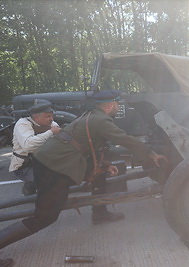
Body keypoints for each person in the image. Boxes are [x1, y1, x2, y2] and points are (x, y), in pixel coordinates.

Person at [0, 90, 167, 266]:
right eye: (117, 104)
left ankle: (99, 213)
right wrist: (151, 154)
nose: (118, 107)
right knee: (44, 217)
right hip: (53, 167)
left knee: (100, 173)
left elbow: (90, 146)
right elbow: (125, 139)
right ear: (110, 105)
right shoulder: (102, 121)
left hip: (58, 160)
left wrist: (104, 164)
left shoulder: (92, 115)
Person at [9, 100, 61, 196]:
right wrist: (51, 132)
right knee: (49, 182)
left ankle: (32, 186)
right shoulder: (23, 124)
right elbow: (28, 146)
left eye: (51, 116)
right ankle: (33, 188)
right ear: (36, 117)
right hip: (24, 166)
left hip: (42, 162)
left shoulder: (50, 123)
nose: (51, 119)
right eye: (48, 116)